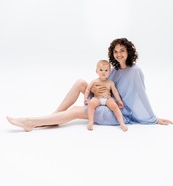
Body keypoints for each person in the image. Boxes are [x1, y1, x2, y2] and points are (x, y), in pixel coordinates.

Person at [7, 38, 173, 132]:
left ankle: (32, 122)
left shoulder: (135, 71)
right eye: (115, 52)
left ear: (129, 51)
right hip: (104, 99)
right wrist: (95, 88)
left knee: (75, 111)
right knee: (81, 83)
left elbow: (141, 96)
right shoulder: (115, 69)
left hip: (118, 111)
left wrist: (154, 119)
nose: (119, 54)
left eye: (122, 50)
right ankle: (53, 117)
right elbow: (106, 84)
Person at [84, 59, 128, 131]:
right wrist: (85, 98)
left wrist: (119, 101)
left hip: (107, 98)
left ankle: (122, 123)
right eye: (101, 70)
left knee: (115, 106)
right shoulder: (94, 81)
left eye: (106, 70)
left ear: (109, 72)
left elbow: (115, 92)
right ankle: (91, 121)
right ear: (96, 71)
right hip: (97, 98)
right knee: (91, 104)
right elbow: (88, 89)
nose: (103, 72)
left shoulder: (110, 82)